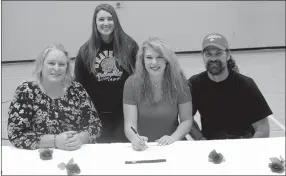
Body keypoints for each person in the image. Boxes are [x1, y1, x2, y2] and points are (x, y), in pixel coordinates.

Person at [7, 43, 102, 150]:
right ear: (41, 65)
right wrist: (55, 141)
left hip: (74, 153)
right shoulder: (26, 91)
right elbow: (16, 134)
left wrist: (81, 138)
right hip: (40, 157)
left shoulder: (77, 89)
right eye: (51, 63)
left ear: (67, 68)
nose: (56, 68)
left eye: (61, 65)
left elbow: (95, 126)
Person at [74, 4, 139, 143]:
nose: (106, 23)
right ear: (95, 23)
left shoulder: (130, 47)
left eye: (110, 19)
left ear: (115, 21)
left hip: (123, 114)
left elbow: (139, 78)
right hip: (96, 115)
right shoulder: (85, 51)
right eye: (101, 19)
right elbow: (78, 86)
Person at [189, 33, 272, 140]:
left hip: (243, 141)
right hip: (211, 143)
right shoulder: (195, 84)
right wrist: (200, 139)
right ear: (203, 56)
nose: (213, 58)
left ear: (228, 55)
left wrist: (249, 149)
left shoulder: (246, 84)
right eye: (208, 54)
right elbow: (186, 119)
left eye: (218, 53)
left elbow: (262, 128)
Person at [123, 37, 193, 151]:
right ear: (143, 60)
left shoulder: (180, 82)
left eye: (159, 57)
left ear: (167, 60)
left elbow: (187, 121)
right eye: (149, 58)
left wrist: (173, 138)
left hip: (173, 144)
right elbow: (130, 124)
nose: (154, 62)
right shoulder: (131, 83)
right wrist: (134, 139)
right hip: (145, 146)